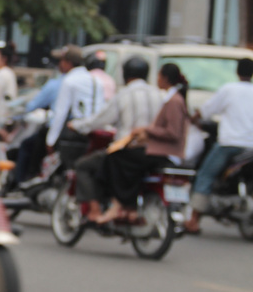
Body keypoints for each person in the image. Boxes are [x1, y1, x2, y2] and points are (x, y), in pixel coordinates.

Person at [70, 56, 162, 221]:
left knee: (83, 165)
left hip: (128, 152)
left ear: (125, 74)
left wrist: (77, 125)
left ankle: (95, 210)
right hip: (156, 153)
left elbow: (99, 120)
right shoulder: (159, 95)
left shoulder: (124, 95)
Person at [97, 63, 189, 225]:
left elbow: (172, 132)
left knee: (116, 157)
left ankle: (123, 203)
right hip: (160, 150)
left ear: (165, 78)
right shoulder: (167, 98)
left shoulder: (173, 101)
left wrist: (146, 129)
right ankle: (129, 206)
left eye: (159, 76)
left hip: (163, 152)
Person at [185, 57, 253, 234]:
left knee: (205, 175)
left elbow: (206, 110)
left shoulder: (229, 89)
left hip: (230, 143)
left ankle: (193, 220)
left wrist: (193, 119)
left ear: (237, 72)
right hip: (251, 147)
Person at [46, 45, 106, 168]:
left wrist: (50, 141)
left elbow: (60, 113)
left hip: (75, 133)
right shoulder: (96, 81)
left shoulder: (69, 80)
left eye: (61, 61)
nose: (60, 65)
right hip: (95, 133)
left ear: (68, 63)